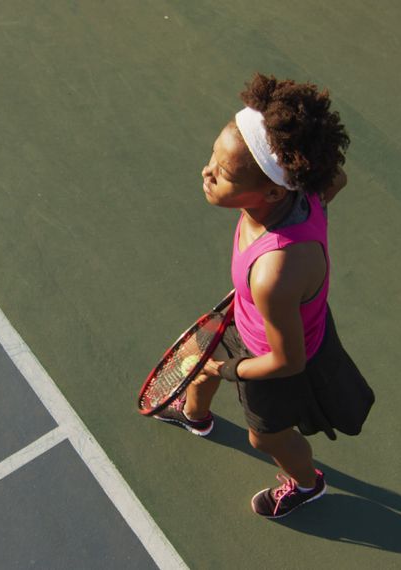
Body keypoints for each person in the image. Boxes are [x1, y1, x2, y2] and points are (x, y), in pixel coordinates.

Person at [153, 73, 373, 519]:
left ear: (273, 190)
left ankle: (308, 484)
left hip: (274, 354)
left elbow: (287, 362)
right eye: (212, 156)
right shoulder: (306, 192)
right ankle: (193, 416)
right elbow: (338, 179)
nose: (207, 172)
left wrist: (227, 368)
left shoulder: (275, 273)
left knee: (265, 436)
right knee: (196, 359)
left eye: (226, 173)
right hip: (255, 314)